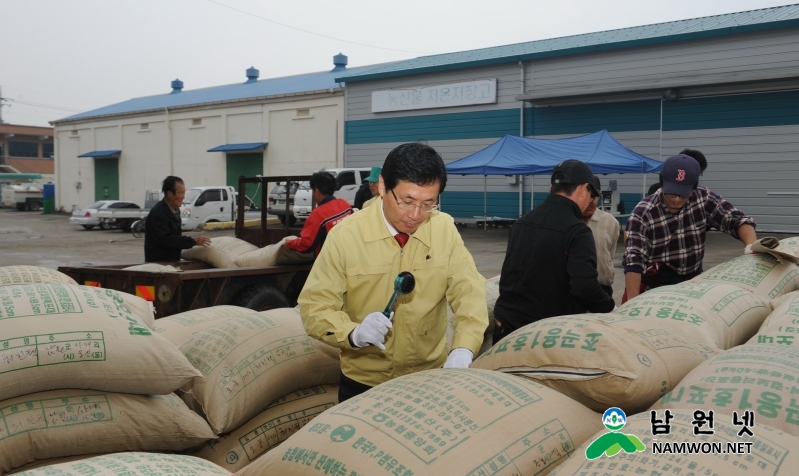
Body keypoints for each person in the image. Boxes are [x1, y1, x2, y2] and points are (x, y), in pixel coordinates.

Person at [299, 143, 488, 402]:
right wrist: (353, 333)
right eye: (406, 201)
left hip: (428, 377)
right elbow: (315, 307)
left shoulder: (443, 229)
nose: (415, 215)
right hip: (364, 382)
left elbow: (469, 291)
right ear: (383, 186)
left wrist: (464, 348)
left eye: (428, 204)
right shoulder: (346, 236)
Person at [493, 160, 615, 341]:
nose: (590, 200)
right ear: (583, 189)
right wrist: (610, 306)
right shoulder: (577, 230)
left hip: (507, 329)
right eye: (591, 194)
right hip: (547, 335)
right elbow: (584, 287)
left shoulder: (522, 222)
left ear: (552, 187)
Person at [622, 154, 757, 302]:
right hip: (654, 284)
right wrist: (632, 302)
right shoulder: (643, 214)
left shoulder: (703, 198)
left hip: (692, 281)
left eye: (683, 195)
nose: (677, 199)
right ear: (662, 183)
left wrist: (751, 247)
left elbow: (738, 220)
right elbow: (633, 260)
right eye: (672, 193)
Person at [283, 172, 353, 257]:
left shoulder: (317, 214)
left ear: (316, 191)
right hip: (349, 255)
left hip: (329, 262)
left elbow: (307, 244)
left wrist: (290, 244)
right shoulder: (345, 204)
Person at [144, 176, 210, 262]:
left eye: (184, 193)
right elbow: (167, 240)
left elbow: (176, 238)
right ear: (170, 194)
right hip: (159, 263)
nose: (183, 197)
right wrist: (192, 241)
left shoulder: (175, 209)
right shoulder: (158, 213)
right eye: (180, 193)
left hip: (172, 261)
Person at [584, 175, 620, 298]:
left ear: (598, 197)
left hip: (602, 288)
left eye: (593, 198)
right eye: (585, 197)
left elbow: (609, 255)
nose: (589, 202)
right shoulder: (567, 220)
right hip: (571, 288)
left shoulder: (610, 222)